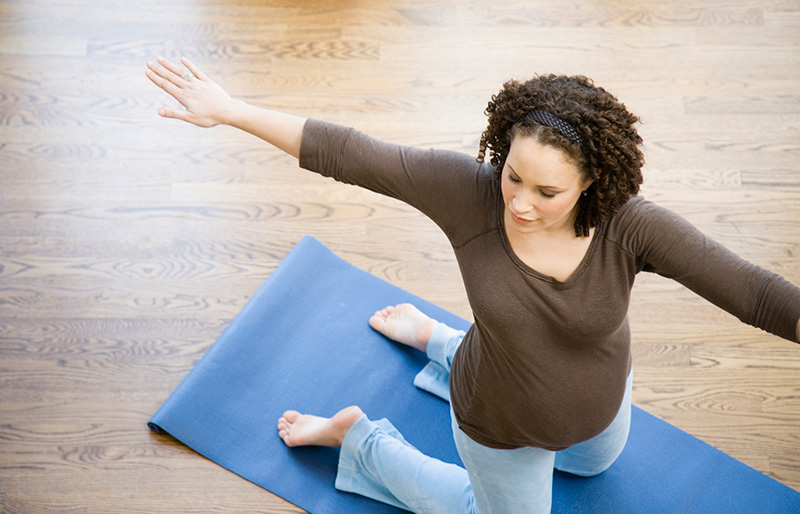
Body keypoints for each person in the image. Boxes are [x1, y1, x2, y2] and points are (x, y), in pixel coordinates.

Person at [146, 56, 800, 513]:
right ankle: (360, 438)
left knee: (594, 464)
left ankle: (438, 338)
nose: (520, 202)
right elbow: (352, 153)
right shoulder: (470, 193)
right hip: (498, 422)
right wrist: (231, 111)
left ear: (592, 184)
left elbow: (754, 292)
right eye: (514, 175)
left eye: (549, 192)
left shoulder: (631, 228)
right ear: (501, 152)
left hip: (600, 410)